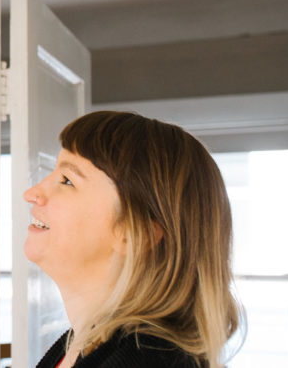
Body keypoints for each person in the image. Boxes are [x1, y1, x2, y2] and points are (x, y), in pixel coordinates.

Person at [23, 110, 241, 368]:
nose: (32, 193)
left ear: (136, 233)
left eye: (67, 180)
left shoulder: (147, 361)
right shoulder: (76, 347)